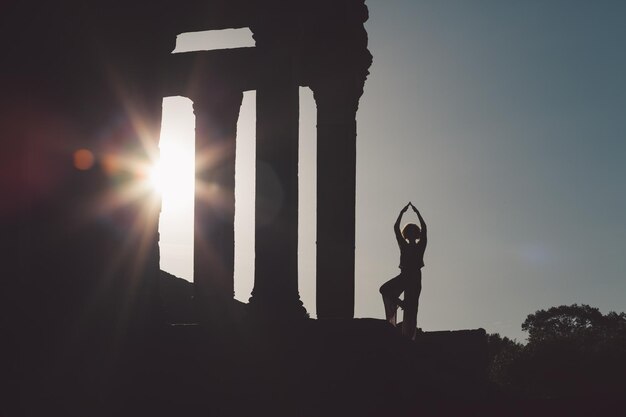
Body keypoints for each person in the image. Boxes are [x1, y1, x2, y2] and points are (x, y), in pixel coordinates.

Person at [379, 202, 427, 340]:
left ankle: (408, 338)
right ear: (406, 234)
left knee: (411, 312)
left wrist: (417, 213)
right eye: (409, 232)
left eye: (413, 232)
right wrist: (402, 212)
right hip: (405, 276)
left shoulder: (420, 246)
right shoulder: (403, 245)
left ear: (416, 234)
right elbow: (395, 228)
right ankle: (401, 304)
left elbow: (425, 228)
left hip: (415, 278)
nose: (411, 234)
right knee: (385, 289)